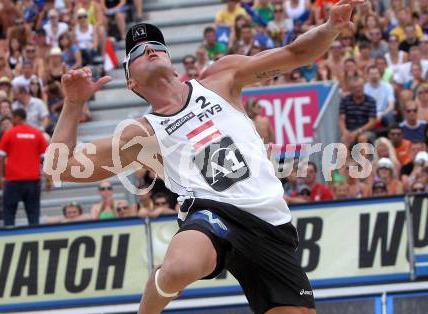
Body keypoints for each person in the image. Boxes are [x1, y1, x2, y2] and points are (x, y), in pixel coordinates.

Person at [46, 3, 363, 312]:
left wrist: (329, 27)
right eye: (139, 52)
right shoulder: (142, 134)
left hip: (271, 222)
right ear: (131, 80)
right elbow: (60, 169)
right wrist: (73, 104)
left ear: (171, 60)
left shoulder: (219, 78)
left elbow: (295, 54)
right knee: (179, 268)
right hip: (213, 212)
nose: (150, 49)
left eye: (156, 44)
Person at [0, 108, 49, 226]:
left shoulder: (9, 133)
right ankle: (35, 239)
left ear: (17, 118)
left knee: (9, 214)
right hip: (32, 180)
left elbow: (0, 156)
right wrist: (48, 178)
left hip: (13, 180)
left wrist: (1, 176)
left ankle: (8, 240)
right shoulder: (36, 133)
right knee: (33, 215)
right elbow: (46, 157)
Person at [339, 76, 377, 146]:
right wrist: (345, 132)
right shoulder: (345, 100)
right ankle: (347, 157)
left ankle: (362, 157)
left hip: (365, 131)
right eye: (355, 87)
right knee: (344, 140)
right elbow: (342, 119)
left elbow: (372, 122)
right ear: (351, 89)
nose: (358, 89)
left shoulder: (371, 100)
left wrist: (357, 132)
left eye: (360, 87)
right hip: (350, 130)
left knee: (362, 138)